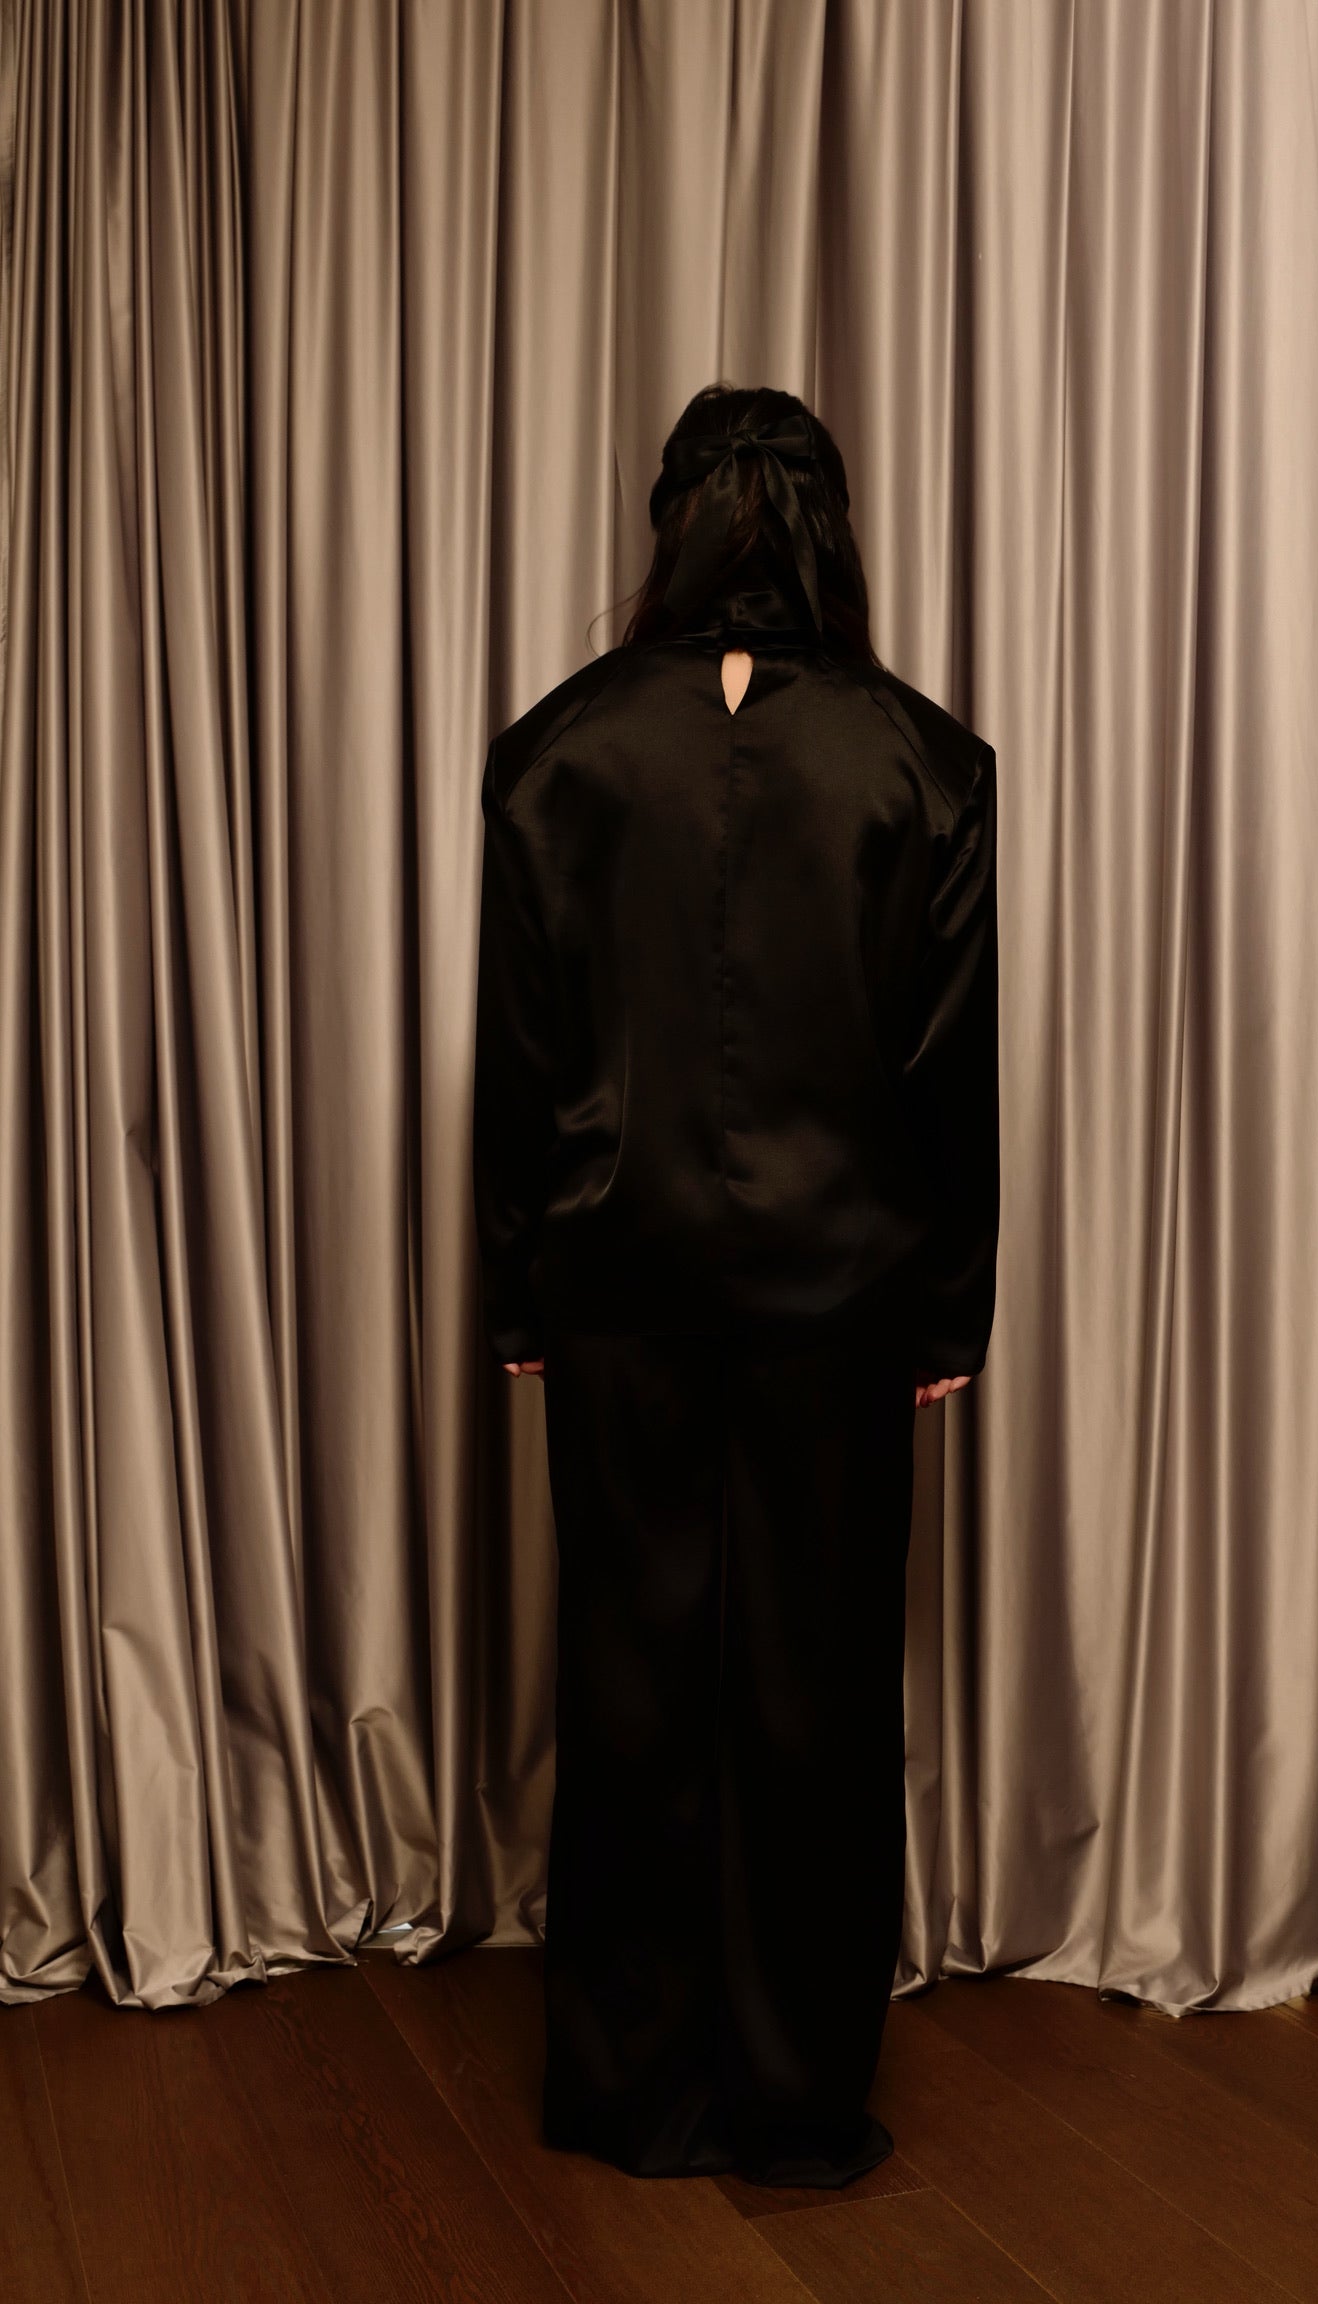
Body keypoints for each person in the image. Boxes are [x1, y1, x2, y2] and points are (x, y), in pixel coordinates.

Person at [472, 382, 999, 2188]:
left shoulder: (555, 748)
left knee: (627, 1683)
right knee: (818, 1695)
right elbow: (945, 1071)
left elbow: (523, 1055)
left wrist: (519, 1290)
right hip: (842, 1296)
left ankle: (629, 2085)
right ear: (829, 527)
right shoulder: (925, 760)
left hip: (615, 1277)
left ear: (671, 525)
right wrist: (947, 1308)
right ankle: (792, 2098)